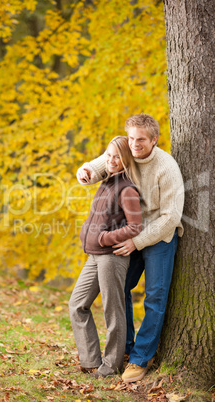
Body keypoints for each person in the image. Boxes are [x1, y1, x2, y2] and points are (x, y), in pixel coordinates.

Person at [76, 114, 184, 382]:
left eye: (141, 140)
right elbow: (105, 162)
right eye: (131, 138)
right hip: (129, 231)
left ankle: (140, 358)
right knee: (120, 288)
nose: (135, 145)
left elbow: (170, 217)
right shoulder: (128, 148)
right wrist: (87, 170)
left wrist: (136, 241)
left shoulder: (166, 167)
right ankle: (123, 349)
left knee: (155, 297)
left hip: (159, 235)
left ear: (154, 140)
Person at [69, 136, 142, 378]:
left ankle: (111, 367)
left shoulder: (127, 188)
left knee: (113, 311)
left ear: (126, 160)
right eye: (108, 155)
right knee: (77, 304)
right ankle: (91, 361)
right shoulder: (107, 182)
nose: (111, 160)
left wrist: (103, 238)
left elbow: (135, 227)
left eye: (117, 156)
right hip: (94, 257)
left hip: (112, 257)